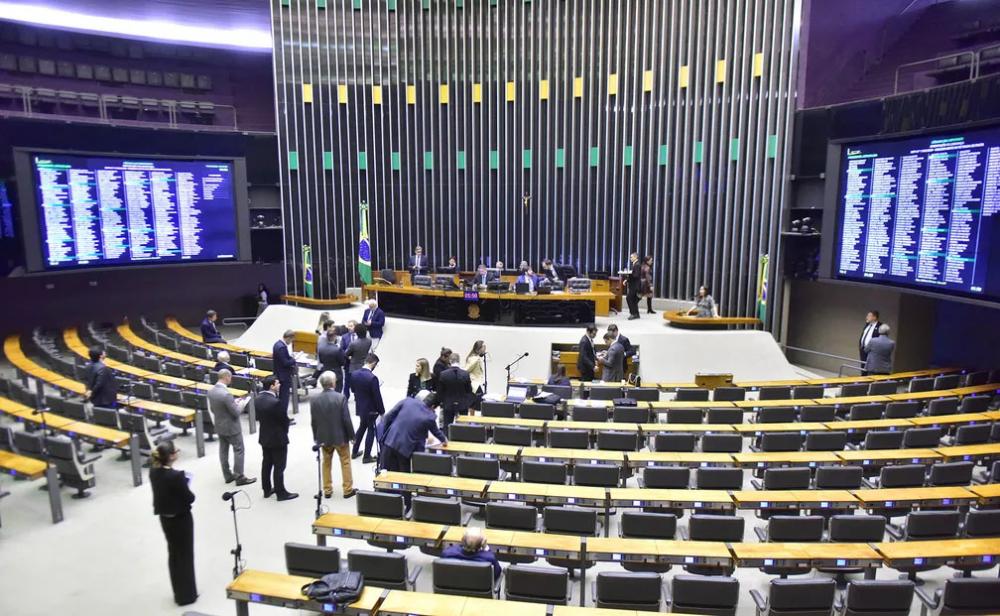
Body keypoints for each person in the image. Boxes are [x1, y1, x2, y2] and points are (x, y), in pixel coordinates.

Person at [149, 441, 197, 606]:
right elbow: (189, 497)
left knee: (174, 555)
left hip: (165, 518)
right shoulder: (176, 477)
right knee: (185, 555)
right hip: (180, 519)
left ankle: (178, 592)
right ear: (171, 456)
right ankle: (187, 595)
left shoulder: (154, 472)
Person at [380, 391, 448, 480]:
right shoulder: (430, 417)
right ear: (433, 407)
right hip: (405, 450)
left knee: (385, 477)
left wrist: (386, 435)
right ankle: (405, 494)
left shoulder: (407, 401)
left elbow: (388, 417)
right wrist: (444, 440)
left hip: (389, 443)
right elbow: (437, 432)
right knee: (404, 481)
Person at [311, 371, 356, 499]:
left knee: (326, 462)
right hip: (340, 437)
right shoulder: (340, 398)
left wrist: (316, 437)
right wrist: (352, 436)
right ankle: (347, 489)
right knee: (345, 462)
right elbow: (346, 419)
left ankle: (327, 490)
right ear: (333, 383)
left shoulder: (314, 399)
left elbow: (314, 421)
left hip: (324, 438)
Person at [207, 369, 256, 486]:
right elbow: (236, 412)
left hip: (219, 425)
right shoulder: (226, 394)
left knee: (223, 451)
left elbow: (214, 409)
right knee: (239, 449)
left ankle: (227, 475)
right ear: (227, 377)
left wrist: (234, 402)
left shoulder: (211, 391)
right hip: (231, 427)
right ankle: (239, 476)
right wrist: (241, 404)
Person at [256, 376, 297, 501]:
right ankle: (281, 492)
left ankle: (266, 489)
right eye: (277, 383)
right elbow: (284, 420)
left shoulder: (257, 399)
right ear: (272, 386)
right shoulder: (275, 402)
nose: (279, 385)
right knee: (279, 466)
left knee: (266, 463)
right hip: (277, 438)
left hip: (264, 435)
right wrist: (285, 431)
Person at [351, 353, 385, 463]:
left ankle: (354, 451)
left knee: (361, 428)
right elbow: (377, 397)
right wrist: (382, 411)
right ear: (373, 363)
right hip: (371, 409)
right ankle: (367, 456)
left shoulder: (354, 374)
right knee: (371, 430)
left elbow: (353, 390)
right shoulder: (372, 378)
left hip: (360, 406)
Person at [438, 353, 474, 430]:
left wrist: (441, 402)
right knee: (463, 428)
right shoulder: (465, 374)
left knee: (447, 426)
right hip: (463, 404)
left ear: (450, 361)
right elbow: (469, 390)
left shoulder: (443, 374)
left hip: (448, 404)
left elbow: (440, 392)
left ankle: (447, 441)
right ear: (459, 361)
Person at [272, 330, 297, 412]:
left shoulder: (277, 344)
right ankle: (284, 417)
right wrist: (294, 360)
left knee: (282, 397)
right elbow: (285, 363)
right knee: (284, 398)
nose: (291, 342)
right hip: (284, 376)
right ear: (288, 338)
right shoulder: (282, 347)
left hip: (279, 373)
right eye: (291, 340)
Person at [625, 252, 642, 320]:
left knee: (629, 298)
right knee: (634, 300)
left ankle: (633, 313)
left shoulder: (637, 265)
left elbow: (636, 275)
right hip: (634, 285)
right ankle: (636, 314)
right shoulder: (635, 264)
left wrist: (628, 274)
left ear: (635, 257)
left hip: (635, 286)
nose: (630, 258)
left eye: (631, 257)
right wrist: (628, 279)